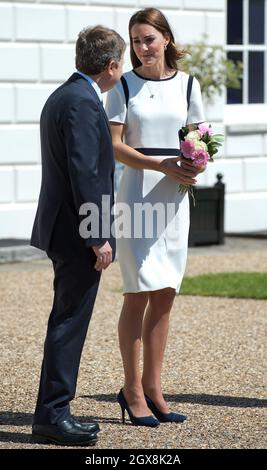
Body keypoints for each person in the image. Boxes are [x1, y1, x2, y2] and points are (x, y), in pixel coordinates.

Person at [105, 8, 205, 427]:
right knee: (138, 290)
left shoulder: (189, 85)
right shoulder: (122, 85)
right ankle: (130, 389)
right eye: (135, 41)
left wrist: (197, 162)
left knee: (166, 292)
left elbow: (200, 133)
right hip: (137, 195)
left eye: (148, 38)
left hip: (174, 199)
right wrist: (162, 164)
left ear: (165, 38)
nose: (142, 48)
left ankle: (153, 387)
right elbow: (114, 145)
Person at [30, 26, 125, 445]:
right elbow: (86, 174)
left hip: (63, 228)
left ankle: (52, 410)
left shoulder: (63, 96)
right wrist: (98, 235)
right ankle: (53, 415)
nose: (121, 70)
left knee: (65, 320)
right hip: (76, 234)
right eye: (121, 63)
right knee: (69, 323)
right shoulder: (84, 103)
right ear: (110, 66)